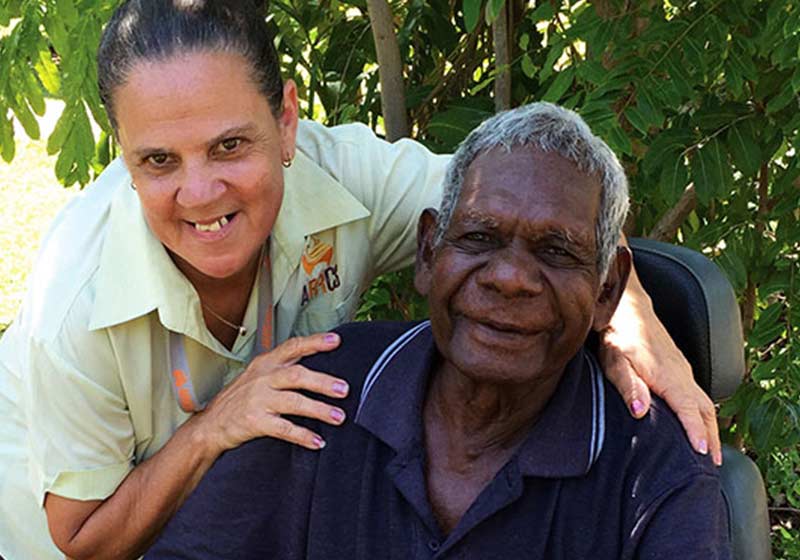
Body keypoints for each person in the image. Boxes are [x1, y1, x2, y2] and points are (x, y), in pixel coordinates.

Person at [0, 2, 718, 559]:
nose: (199, 192)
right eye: (159, 160)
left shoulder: (350, 180)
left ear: (287, 120)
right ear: (124, 156)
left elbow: (537, 195)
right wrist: (211, 430)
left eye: (230, 145)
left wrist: (635, 324)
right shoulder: (77, 301)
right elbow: (82, 539)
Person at [147, 103, 732, 560]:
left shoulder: (655, 467)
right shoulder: (317, 391)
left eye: (555, 251)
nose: (509, 278)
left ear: (607, 290)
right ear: (428, 251)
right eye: (479, 237)